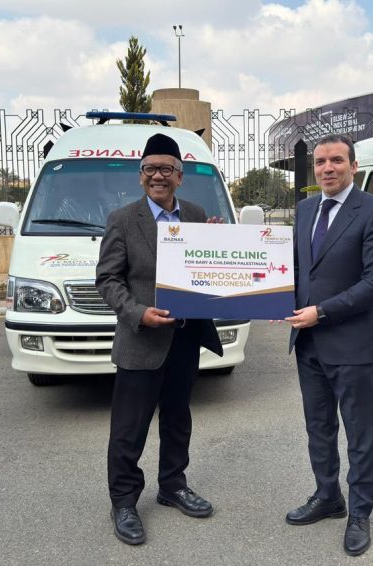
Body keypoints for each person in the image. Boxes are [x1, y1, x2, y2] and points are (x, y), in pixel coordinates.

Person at [95, 133, 223, 546]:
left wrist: (220, 244)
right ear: (140, 176)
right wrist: (137, 313)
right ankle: (125, 501)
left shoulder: (198, 215)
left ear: (180, 177)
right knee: (129, 429)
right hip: (142, 341)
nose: (158, 176)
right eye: (150, 169)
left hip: (185, 339)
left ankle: (172, 486)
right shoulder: (123, 219)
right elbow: (108, 279)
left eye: (166, 169)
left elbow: (208, 268)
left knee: (178, 419)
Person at [284, 134, 373, 557]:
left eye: (336, 160)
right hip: (309, 343)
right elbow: (294, 268)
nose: (327, 168)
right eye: (320, 162)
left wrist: (321, 311)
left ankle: (359, 513)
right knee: (319, 428)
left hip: (353, 344)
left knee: (361, 433)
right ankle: (328, 496)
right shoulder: (304, 209)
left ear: (353, 165)